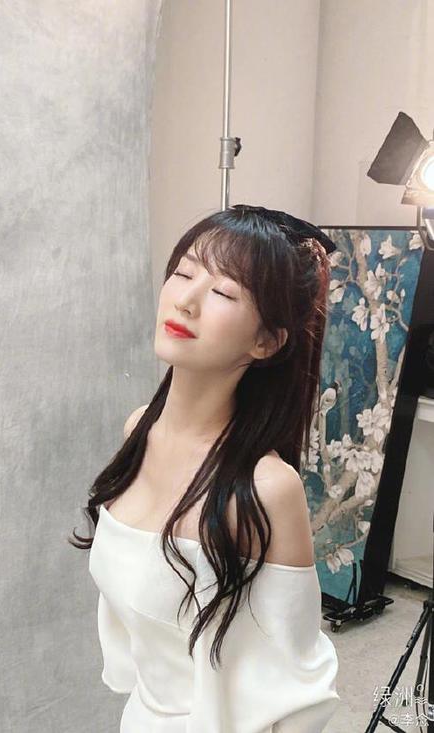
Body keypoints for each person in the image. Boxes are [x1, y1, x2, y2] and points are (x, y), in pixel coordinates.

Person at [70, 204, 341, 732]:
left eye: (223, 292)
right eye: (184, 272)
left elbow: (296, 689)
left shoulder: (266, 488)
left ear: (267, 341)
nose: (186, 300)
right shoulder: (138, 432)